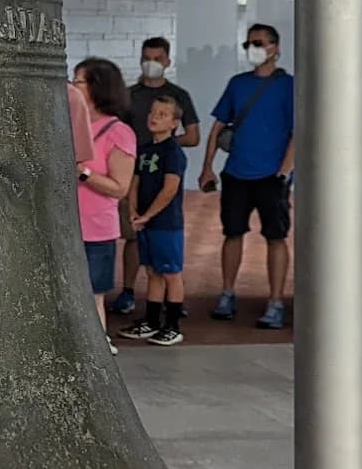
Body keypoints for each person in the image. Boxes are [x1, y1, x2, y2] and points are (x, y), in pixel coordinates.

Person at [198, 23, 295, 329]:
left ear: (275, 48)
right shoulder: (237, 84)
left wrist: (283, 172)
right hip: (236, 173)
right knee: (232, 233)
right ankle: (227, 293)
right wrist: (207, 166)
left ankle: (275, 301)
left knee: (276, 237)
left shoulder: (289, 86)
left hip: (271, 177)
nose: (253, 48)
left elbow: (297, 131)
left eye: (259, 43)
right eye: (248, 43)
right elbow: (218, 126)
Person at [111, 37, 200, 315]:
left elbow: (193, 136)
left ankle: (172, 304)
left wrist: (160, 147)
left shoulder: (178, 96)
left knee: (165, 248)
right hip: (133, 172)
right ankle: (128, 291)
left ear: (167, 61)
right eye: (146, 58)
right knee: (134, 235)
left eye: (157, 59)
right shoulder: (129, 96)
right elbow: (116, 133)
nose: (151, 63)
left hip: (159, 173)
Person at [73, 58, 136, 356]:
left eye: (79, 81)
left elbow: (119, 187)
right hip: (69, 226)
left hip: (96, 228)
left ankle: (97, 346)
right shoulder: (73, 125)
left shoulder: (118, 132)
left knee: (93, 293)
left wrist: (83, 173)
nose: (73, 86)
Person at [117, 97, 187, 346]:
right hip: (145, 221)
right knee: (152, 271)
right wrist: (134, 210)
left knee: (171, 272)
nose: (154, 117)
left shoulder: (173, 152)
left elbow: (170, 188)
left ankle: (173, 325)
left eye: (162, 114)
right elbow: (135, 182)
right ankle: (152, 320)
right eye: (152, 112)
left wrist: (149, 214)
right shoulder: (145, 149)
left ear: (174, 123)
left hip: (166, 223)